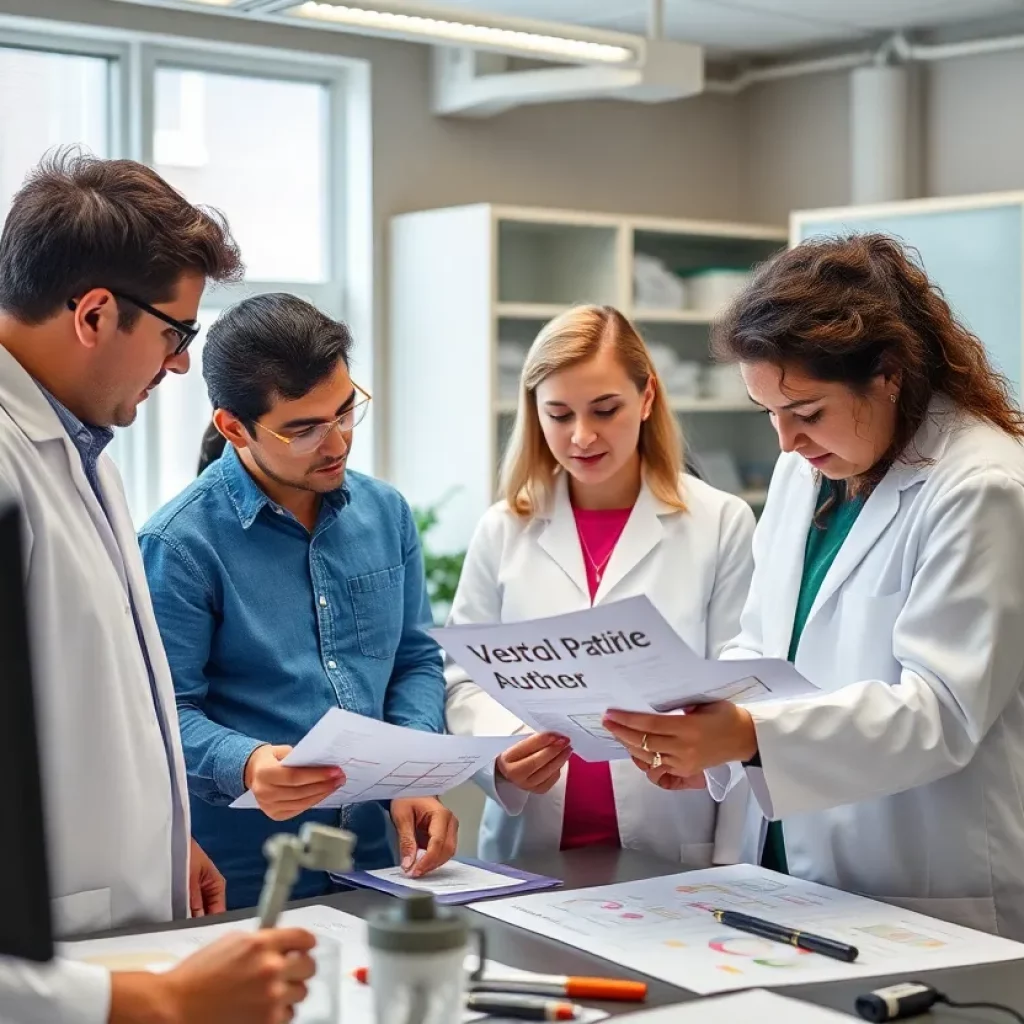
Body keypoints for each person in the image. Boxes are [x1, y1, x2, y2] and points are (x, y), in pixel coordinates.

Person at [603, 234, 1024, 937]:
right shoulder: (808, 470)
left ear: (888, 372)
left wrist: (748, 735)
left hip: (919, 880)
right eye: (768, 412)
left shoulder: (981, 485)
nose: (786, 442)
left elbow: (940, 711)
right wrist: (700, 727)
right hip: (784, 863)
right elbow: (766, 641)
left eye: (805, 411)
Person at [0, 152, 317, 1024]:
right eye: (177, 334)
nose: (181, 365)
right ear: (96, 313)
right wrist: (159, 999)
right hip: (61, 975)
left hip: (115, 929)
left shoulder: (84, 451)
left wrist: (164, 831)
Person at [140, 293, 458, 910]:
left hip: (381, 860)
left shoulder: (385, 512)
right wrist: (248, 761)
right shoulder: (177, 545)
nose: (336, 442)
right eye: (303, 428)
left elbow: (414, 660)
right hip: (246, 877)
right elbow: (158, 714)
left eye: (344, 412)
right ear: (233, 426)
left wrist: (413, 771)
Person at [446, 304, 760, 865]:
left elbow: (739, 687)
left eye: (605, 409)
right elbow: (463, 678)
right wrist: (501, 754)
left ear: (647, 398)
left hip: (673, 833)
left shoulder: (720, 521)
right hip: (535, 839)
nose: (582, 436)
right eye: (559, 414)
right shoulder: (504, 527)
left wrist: (704, 757)